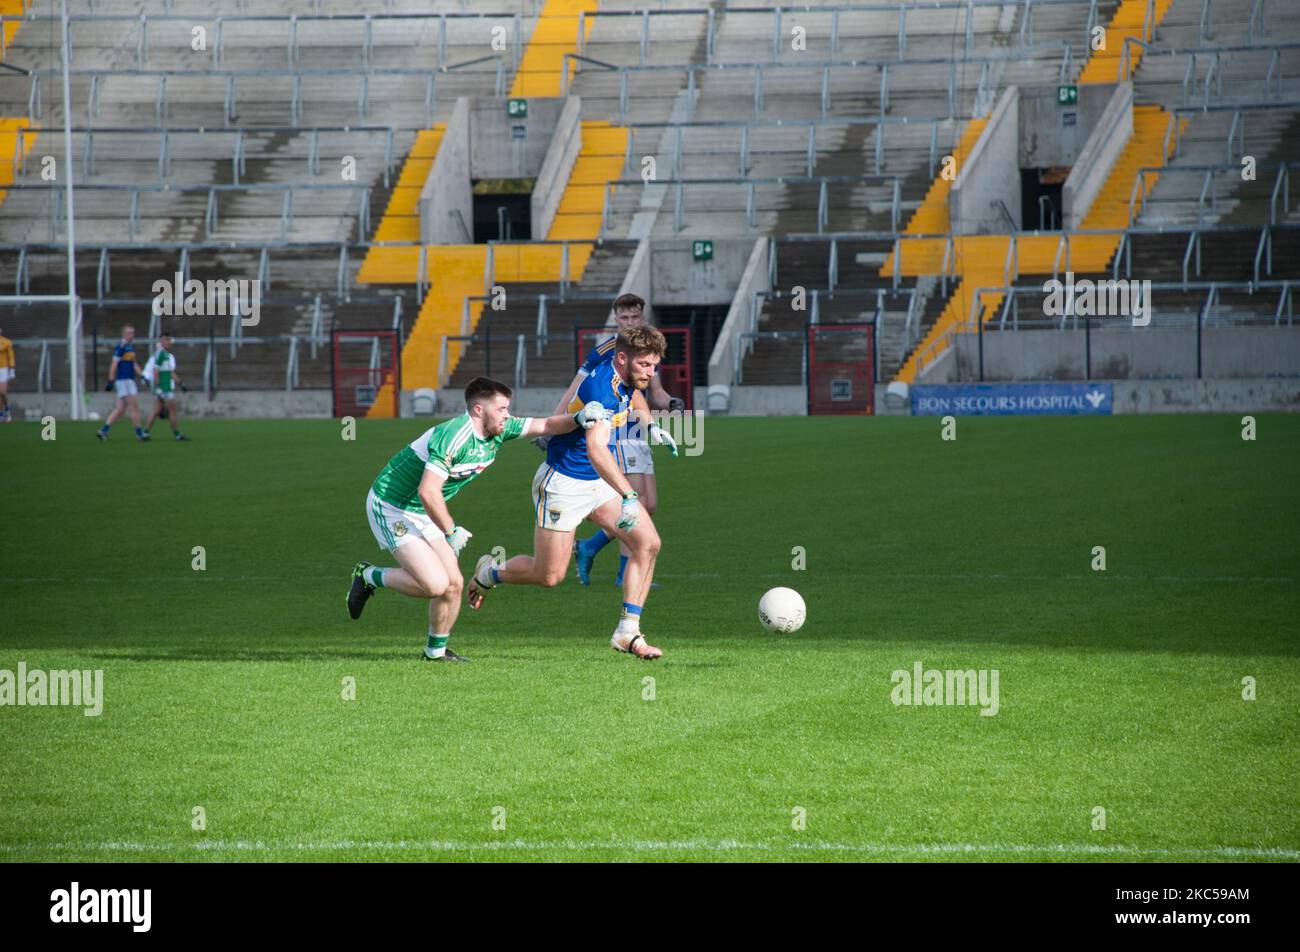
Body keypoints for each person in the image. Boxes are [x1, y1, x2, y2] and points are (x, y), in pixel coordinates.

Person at [347, 376, 607, 662]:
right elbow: (428, 491)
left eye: (508, 408)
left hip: (425, 508)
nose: (507, 415)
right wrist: (451, 530)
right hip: (392, 505)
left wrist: (579, 417)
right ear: (478, 410)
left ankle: (435, 652)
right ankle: (369, 575)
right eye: (501, 409)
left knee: (455, 582)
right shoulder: (454, 436)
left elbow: (545, 425)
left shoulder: (499, 429)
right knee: (435, 584)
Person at [467, 325, 670, 660]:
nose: (652, 372)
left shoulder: (615, 359)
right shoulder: (601, 391)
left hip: (596, 484)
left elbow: (628, 379)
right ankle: (489, 573)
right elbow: (597, 450)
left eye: (654, 365)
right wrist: (630, 496)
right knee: (548, 576)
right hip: (563, 484)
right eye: (645, 365)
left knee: (648, 543)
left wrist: (649, 425)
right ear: (623, 359)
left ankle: (627, 632)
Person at [551, 293, 685, 586]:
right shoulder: (607, 351)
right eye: (623, 318)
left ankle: (590, 546)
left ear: (642, 317)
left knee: (649, 504)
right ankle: (625, 572)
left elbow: (649, 392)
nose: (628, 322)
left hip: (636, 425)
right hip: (615, 430)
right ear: (616, 319)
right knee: (635, 503)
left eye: (634, 317)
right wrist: (556, 422)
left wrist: (670, 404)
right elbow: (575, 389)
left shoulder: (645, 349)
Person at [96, 324, 148, 441]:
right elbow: (114, 364)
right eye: (129, 333)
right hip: (124, 380)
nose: (132, 335)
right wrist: (111, 379)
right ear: (124, 334)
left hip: (129, 380)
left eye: (133, 333)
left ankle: (103, 431)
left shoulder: (129, 347)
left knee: (120, 409)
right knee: (134, 407)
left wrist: (142, 375)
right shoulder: (121, 346)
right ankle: (139, 434)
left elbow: (133, 363)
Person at [143, 333, 190, 441]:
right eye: (165, 340)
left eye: (168, 340)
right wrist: (158, 386)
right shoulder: (160, 354)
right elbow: (155, 370)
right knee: (172, 410)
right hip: (164, 387)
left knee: (156, 410)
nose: (168, 342)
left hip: (165, 386)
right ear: (161, 342)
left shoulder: (166, 355)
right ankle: (177, 434)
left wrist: (180, 383)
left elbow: (170, 372)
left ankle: (145, 433)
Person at [0, 326, 14, 423]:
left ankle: (7, 410)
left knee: (2, 392)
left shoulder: (6, 342)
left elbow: (11, 355)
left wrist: (12, 368)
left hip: (3, 369)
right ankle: (1, 414)